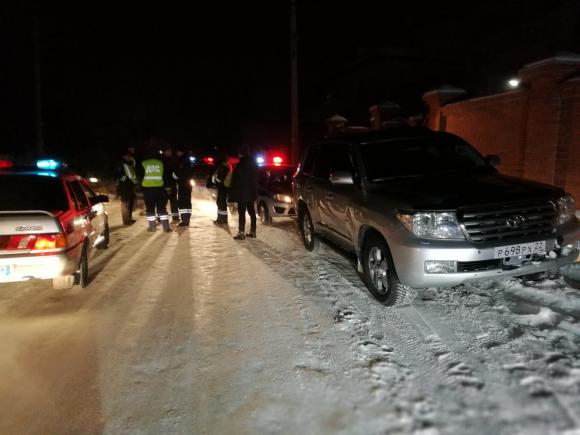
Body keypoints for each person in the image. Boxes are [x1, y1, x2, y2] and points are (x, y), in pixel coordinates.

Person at [138, 147, 173, 233]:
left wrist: (140, 187)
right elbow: (165, 177)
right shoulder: (161, 164)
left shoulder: (143, 164)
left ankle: (152, 227)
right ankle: (166, 227)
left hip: (148, 190)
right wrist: (168, 188)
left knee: (150, 208)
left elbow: (140, 177)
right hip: (160, 189)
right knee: (162, 208)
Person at [229, 144, 258, 240]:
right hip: (252, 193)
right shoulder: (254, 164)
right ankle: (253, 232)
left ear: (241, 154)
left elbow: (234, 180)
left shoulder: (240, 165)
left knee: (242, 213)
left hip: (242, 194)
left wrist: (232, 192)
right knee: (252, 212)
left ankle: (241, 233)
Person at [211, 149, 233, 225]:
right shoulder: (227, 164)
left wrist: (216, 180)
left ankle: (221, 219)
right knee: (221, 202)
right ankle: (222, 219)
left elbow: (221, 177)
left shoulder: (224, 166)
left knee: (221, 203)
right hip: (225, 186)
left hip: (223, 186)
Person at [117, 146, 138, 225]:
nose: (130, 157)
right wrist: (123, 178)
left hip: (130, 185)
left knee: (130, 202)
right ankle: (126, 220)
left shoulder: (130, 163)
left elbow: (133, 171)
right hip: (124, 186)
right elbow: (118, 174)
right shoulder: (121, 163)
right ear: (124, 156)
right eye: (128, 156)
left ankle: (129, 218)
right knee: (125, 203)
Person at [173, 145, 193, 227]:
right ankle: (186, 219)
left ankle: (184, 221)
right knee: (187, 201)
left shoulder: (182, 161)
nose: (177, 153)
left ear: (181, 152)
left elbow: (180, 173)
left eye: (178, 151)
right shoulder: (187, 160)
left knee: (183, 201)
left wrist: (175, 175)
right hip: (187, 183)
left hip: (183, 183)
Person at [162, 145, 180, 223]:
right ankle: (160, 216)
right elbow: (165, 175)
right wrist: (167, 186)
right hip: (165, 184)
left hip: (172, 184)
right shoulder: (163, 161)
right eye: (168, 151)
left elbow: (174, 172)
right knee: (163, 202)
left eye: (170, 151)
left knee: (173, 201)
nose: (170, 152)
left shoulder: (172, 160)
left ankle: (175, 216)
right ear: (165, 152)